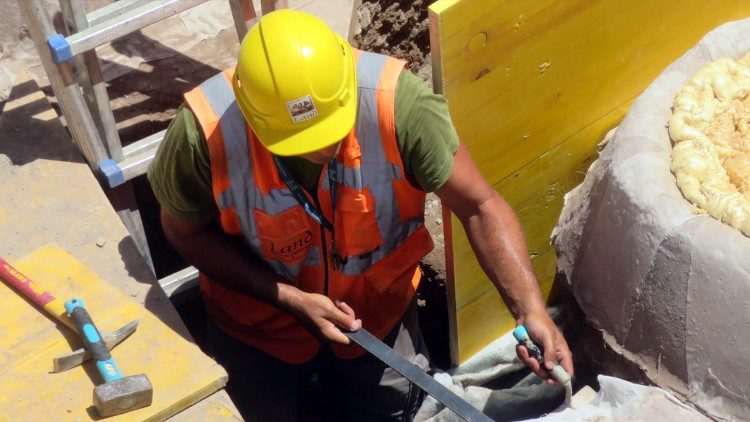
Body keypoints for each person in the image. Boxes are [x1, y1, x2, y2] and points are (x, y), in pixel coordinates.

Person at [148, 9, 573, 421]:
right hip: (257, 330)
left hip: (380, 319)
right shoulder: (202, 134)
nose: (323, 149)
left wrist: (528, 308)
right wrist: (291, 299)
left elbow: (480, 206)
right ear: (251, 113)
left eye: (332, 130)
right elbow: (185, 234)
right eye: (298, 141)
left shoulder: (398, 105)